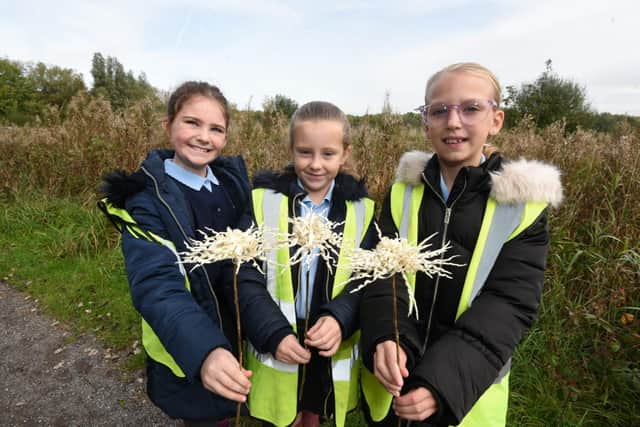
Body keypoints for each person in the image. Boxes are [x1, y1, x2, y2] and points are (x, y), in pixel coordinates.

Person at [359, 63, 563, 426]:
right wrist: (386, 337)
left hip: (463, 393)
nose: (453, 122)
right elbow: (381, 272)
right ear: (426, 123)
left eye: (470, 108)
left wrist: (440, 384)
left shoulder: (523, 207)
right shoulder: (402, 193)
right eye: (439, 110)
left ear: (495, 120)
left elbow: (508, 303)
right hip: (393, 385)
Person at [98, 81, 308, 426]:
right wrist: (204, 351)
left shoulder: (236, 186)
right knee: (205, 414)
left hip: (241, 330)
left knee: (240, 403)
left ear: (225, 137)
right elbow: (156, 285)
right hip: (189, 343)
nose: (203, 137)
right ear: (169, 126)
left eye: (216, 129)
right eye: (191, 123)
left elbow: (252, 259)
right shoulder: (146, 200)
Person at [245, 101, 378, 427]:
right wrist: (271, 330)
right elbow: (243, 274)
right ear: (291, 149)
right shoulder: (262, 201)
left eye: (328, 154)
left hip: (328, 332)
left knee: (314, 410)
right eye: (305, 152)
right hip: (278, 330)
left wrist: (341, 317)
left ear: (345, 153)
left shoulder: (363, 211)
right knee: (283, 413)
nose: (316, 164)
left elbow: (367, 277)